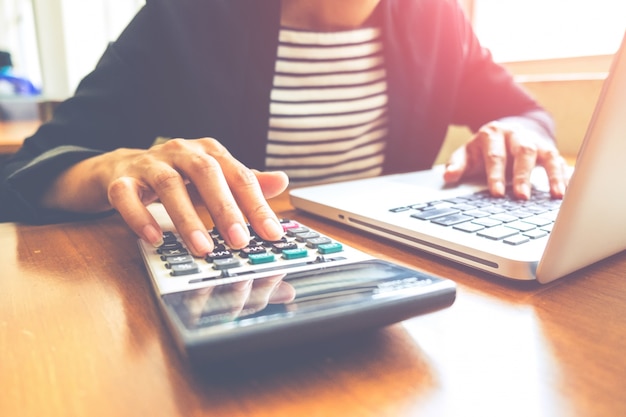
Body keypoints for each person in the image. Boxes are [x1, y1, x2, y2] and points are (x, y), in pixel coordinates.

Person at [0, 0, 569, 257]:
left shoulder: (438, 18)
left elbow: (524, 112)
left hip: (396, 268)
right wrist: (109, 167)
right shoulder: (181, 17)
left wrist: (521, 130)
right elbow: (23, 173)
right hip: (243, 274)